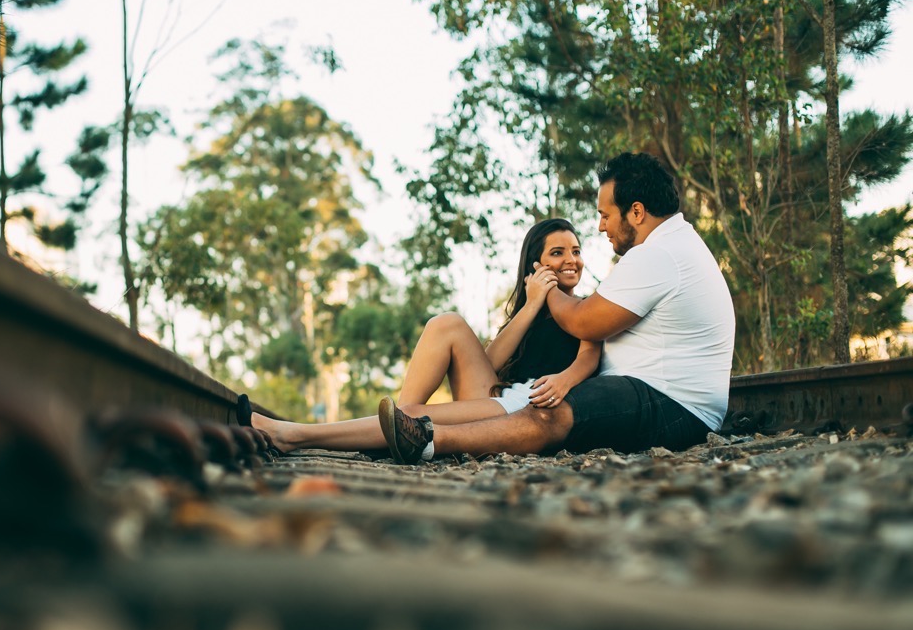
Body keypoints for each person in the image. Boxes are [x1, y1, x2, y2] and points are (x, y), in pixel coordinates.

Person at [379, 152, 735, 463]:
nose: (601, 226)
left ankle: (426, 440)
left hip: (671, 403)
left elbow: (584, 323)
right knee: (547, 410)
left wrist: (545, 286)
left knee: (550, 414)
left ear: (637, 212)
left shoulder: (658, 254)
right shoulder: (672, 246)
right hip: (663, 397)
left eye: (606, 215)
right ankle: (399, 431)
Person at [250, 219, 602, 453]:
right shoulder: (530, 314)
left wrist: (564, 380)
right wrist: (531, 305)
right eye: (557, 253)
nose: (571, 260)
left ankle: (292, 435)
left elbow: (590, 355)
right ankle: (398, 428)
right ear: (535, 266)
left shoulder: (586, 308)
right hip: (501, 396)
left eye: (575, 251)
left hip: (526, 407)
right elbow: (491, 364)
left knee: (413, 414)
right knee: (446, 323)